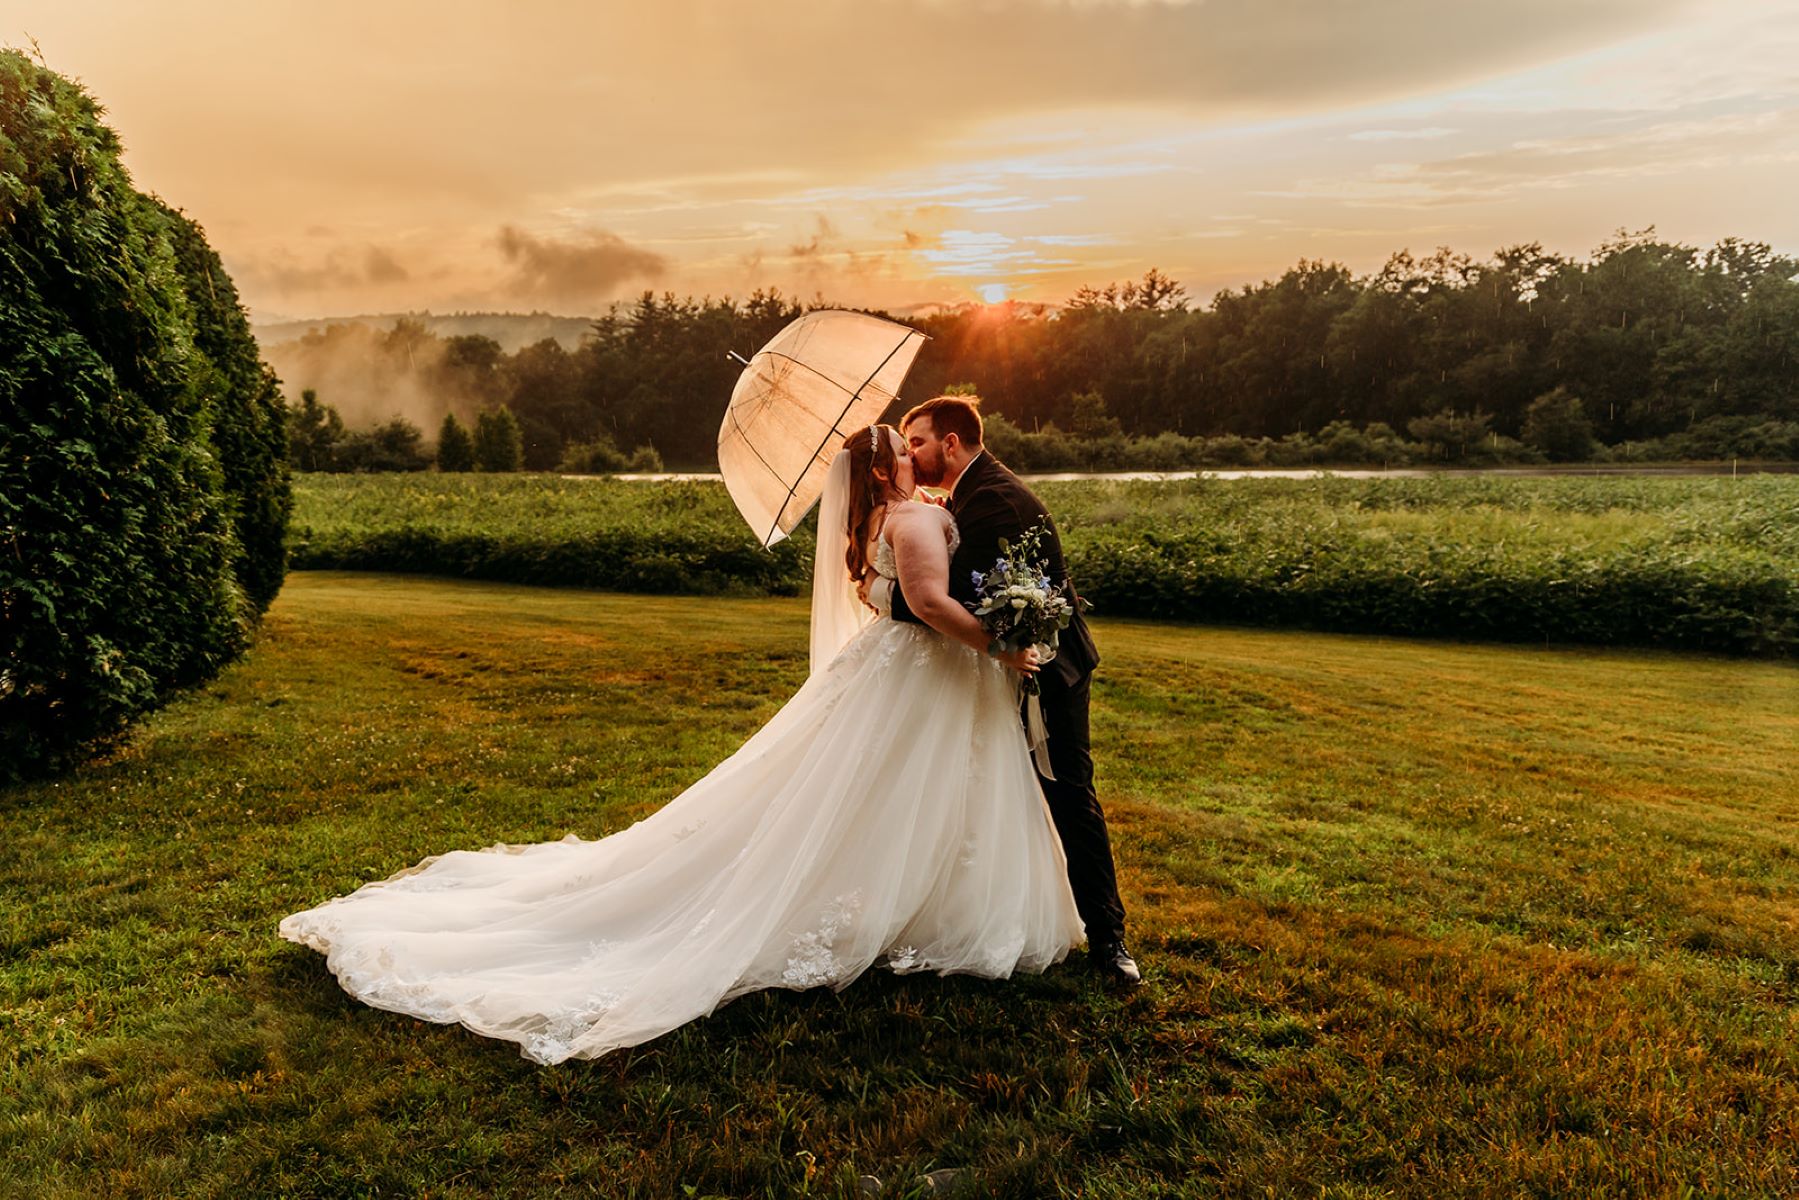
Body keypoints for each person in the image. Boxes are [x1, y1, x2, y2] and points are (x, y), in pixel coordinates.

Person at [279, 424, 1085, 1064]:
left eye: (917, 441)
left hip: (906, 675)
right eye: (902, 447)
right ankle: (909, 904)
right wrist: (998, 641)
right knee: (899, 787)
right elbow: (928, 603)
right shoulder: (911, 518)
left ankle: (913, 897)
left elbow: (889, 598)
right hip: (924, 672)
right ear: (884, 471)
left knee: (890, 791)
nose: (915, 455)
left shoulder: (879, 519)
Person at [889, 395, 1139, 988]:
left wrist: (881, 589)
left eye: (918, 441)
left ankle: (1108, 939)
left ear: (951, 442)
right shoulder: (970, 493)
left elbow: (945, 596)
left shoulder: (995, 499)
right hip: (1013, 662)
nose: (914, 453)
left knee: (1069, 792)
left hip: (1049, 668)